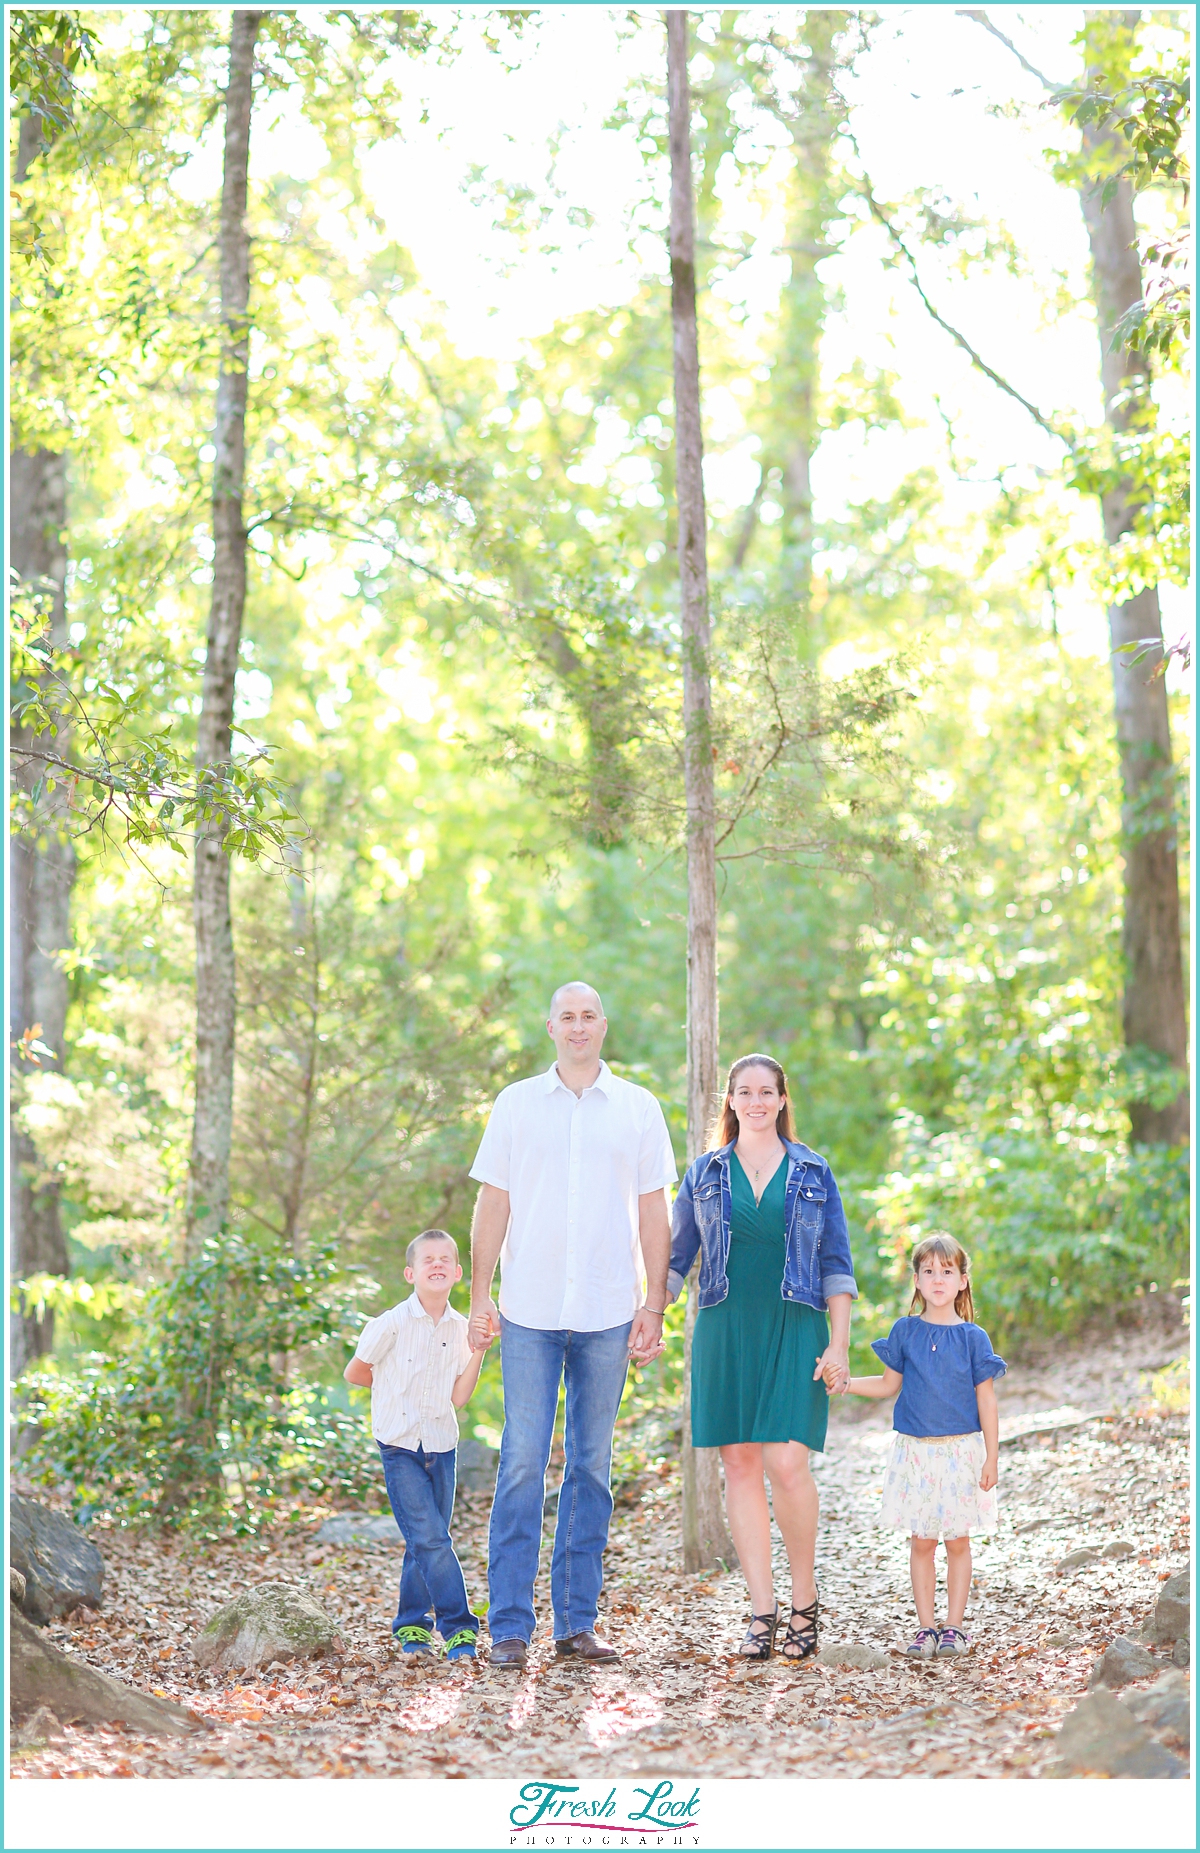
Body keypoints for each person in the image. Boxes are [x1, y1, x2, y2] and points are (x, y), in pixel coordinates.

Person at [467, 981, 675, 1670]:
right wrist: (479, 1294)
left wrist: (653, 1306)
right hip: (528, 1309)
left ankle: (576, 1624)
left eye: (590, 1014)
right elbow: (492, 1204)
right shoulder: (516, 1103)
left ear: (603, 1024)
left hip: (610, 1312)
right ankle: (509, 1627)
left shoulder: (639, 1108)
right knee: (522, 1463)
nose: (579, 1026)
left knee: (591, 1467)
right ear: (549, 1026)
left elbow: (652, 1212)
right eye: (568, 1016)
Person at [667, 1053, 857, 1663]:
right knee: (741, 1465)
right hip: (725, 1326)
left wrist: (839, 1342)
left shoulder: (812, 1171)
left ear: (781, 1100)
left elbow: (836, 1263)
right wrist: (646, 1315)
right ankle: (761, 1610)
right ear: (729, 1099)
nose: (754, 1101)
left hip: (795, 1324)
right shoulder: (704, 1173)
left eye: (766, 1092)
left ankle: (805, 1601)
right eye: (743, 1091)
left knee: (787, 1461)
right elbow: (675, 1260)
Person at [836, 1232, 1005, 1659]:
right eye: (928, 1271)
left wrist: (992, 1456)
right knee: (922, 1542)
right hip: (917, 1452)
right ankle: (925, 1628)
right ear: (916, 1280)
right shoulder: (905, 1331)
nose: (938, 1279)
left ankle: (954, 1627)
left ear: (963, 1280)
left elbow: (986, 1399)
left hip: (961, 1452)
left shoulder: (973, 1338)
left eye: (947, 1271)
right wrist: (846, 1384)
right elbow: (889, 1385)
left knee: (958, 1542)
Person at [344, 1229, 485, 1661]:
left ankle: (411, 1627)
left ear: (458, 1273)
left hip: (442, 1445)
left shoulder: (463, 1328)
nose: (437, 1264)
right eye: (428, 1259)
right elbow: (356, 1373)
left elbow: (459, 1397)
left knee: (425, 1541)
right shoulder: (389, 1324)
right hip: (399, 1445)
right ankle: (459, 1626)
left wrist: (478, 1350)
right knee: (431, 1539)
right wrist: (391, 1396)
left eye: (446, 1258)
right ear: (411, 1273)